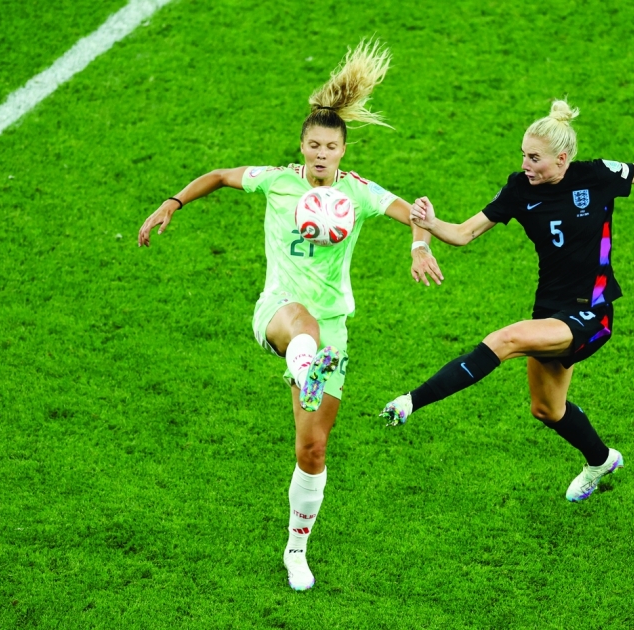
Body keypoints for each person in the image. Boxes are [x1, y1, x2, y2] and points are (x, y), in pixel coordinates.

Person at [138, 39, 443, 591]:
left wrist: (419, 245)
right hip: (278, 312)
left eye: (330, 146)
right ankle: (306, 371)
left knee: (313, 447)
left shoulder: (359, 193)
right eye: (313, 145)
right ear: (301, 146)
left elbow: (415, 212)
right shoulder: (278, 180)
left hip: (333, 332)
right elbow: (220, 175)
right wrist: (173, 203)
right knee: (300, 322)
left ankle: (295, 549)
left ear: (343, 150)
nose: (321, 153)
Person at [380, 99, 634, 503]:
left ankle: (410, 402)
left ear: (561, 159)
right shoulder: (518, 189)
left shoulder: (595, 176)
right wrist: (428, 225)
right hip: (550, 309)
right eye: (523, 156)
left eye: (534, 158)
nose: (526, 165)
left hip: (592, 311)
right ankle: (601, 460)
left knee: (504, 340)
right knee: (547, 409)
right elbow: (463, 233)